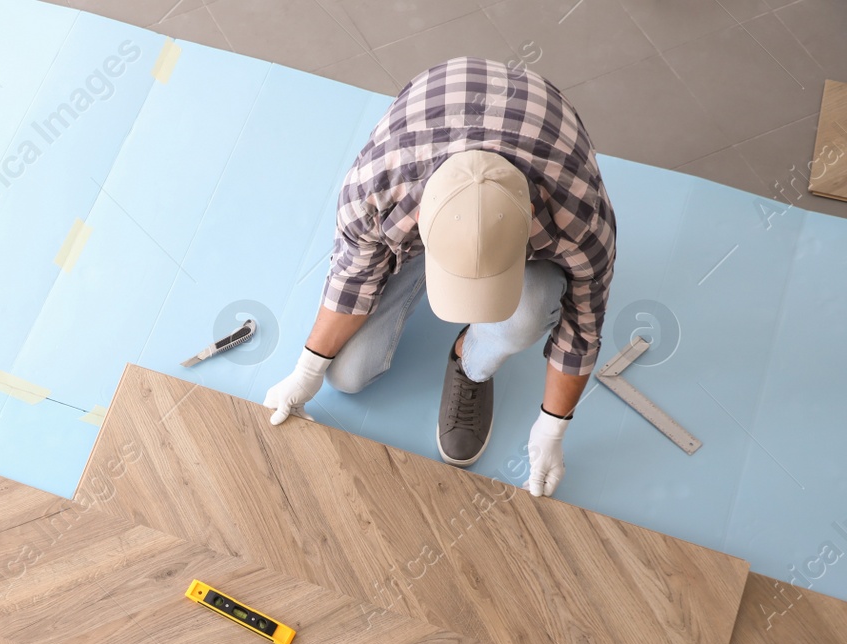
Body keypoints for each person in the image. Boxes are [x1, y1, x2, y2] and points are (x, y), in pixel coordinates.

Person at [263, 56, 616, 497]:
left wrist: (553, 427)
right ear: (423, 222)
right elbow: (353, 277)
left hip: (540, 135)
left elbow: (584, 326)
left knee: (526, 316)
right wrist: (307, 369)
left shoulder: (581, 218)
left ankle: (472, 359)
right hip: (435, 123)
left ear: (528, 221)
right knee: (346, 376)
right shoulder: (377, 187)